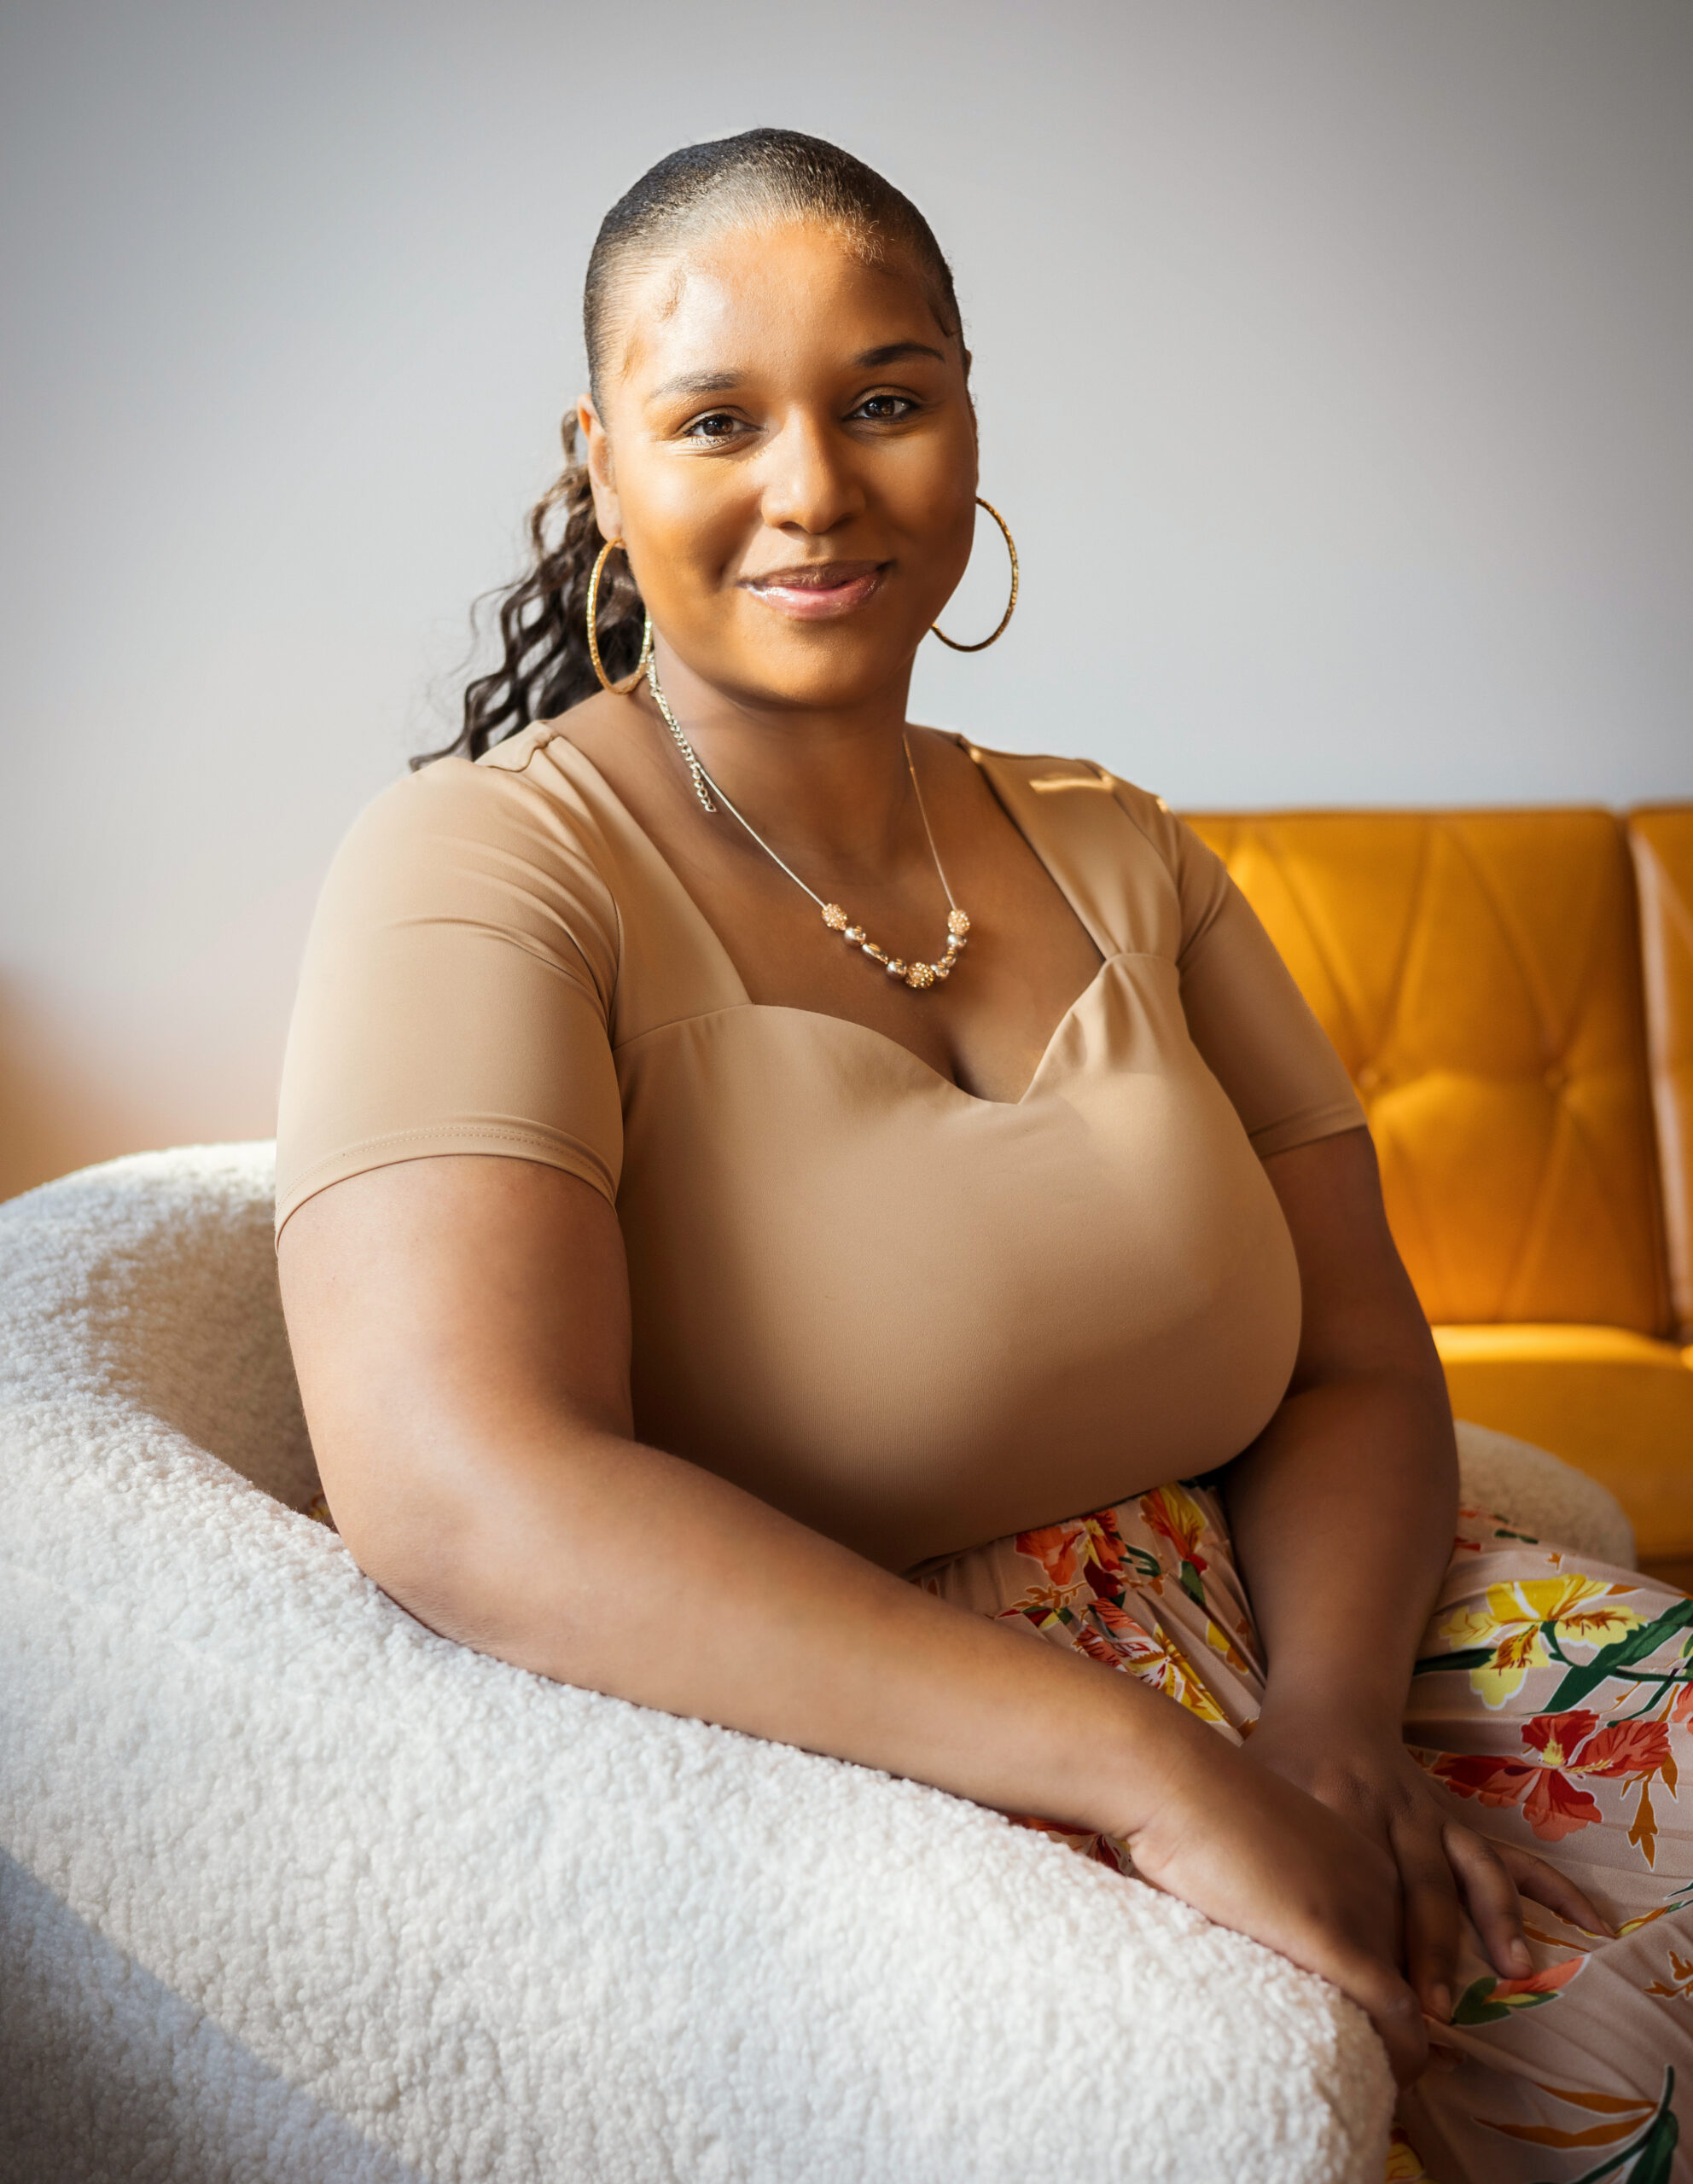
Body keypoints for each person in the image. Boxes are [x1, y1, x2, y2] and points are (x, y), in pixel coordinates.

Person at [276, 129, 1691, 2182]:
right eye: (714, 420)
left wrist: (1321, 1722)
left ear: (961, 414)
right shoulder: (484, 863)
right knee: (1443, 2085)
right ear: (602, 463)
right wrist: (1152, 1767)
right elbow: (462, 1487)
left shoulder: (1118, 840)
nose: (814, 487)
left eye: (883, 399)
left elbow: (1357, 1358)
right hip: (870, 1737)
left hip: (1308, 1630)